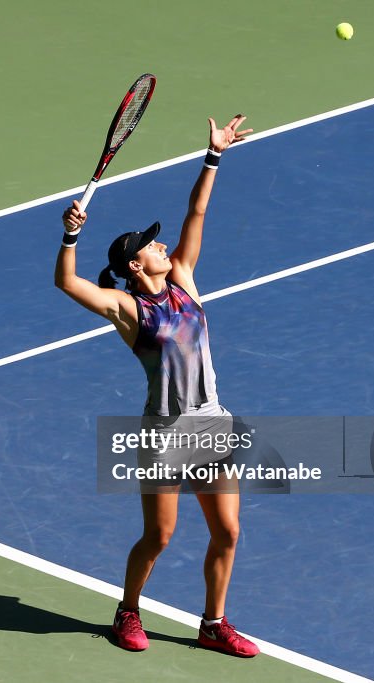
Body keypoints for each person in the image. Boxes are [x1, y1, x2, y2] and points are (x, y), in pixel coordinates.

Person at [54, 115, 259, 657]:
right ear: (132, 264)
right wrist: (71, 234)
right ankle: (127, 611)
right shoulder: (128, 309)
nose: (161, 245)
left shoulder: (185, 279)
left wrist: (212, 157)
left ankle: (213, 624)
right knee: (160, 536)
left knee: (229, 532)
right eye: (150, 245)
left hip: (211, 422)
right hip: (166, 434)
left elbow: (197, 212)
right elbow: (67, 282)